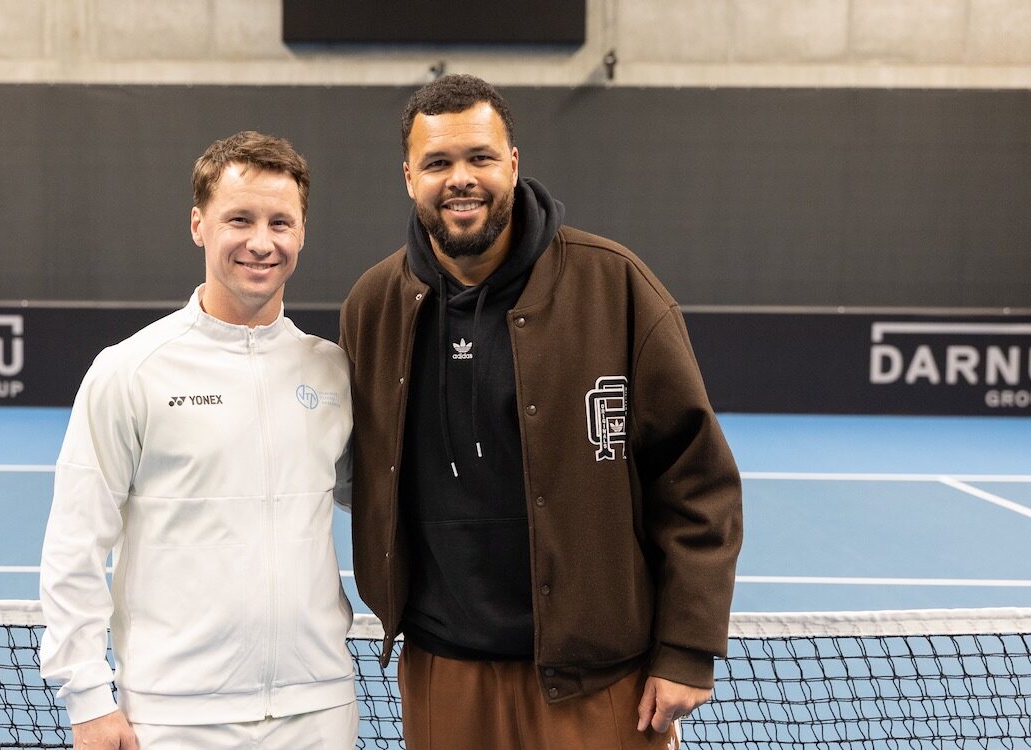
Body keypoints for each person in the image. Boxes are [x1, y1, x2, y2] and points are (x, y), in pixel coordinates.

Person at [339, 74, 743, 749]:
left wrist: (686, 647)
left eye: (480, 158)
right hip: (443, 668)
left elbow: (696, 480)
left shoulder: (615, 285)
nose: (460, 178)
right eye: (438, 162)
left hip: (595, 678)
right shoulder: (373, 305)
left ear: (514, 164)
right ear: (409, 176)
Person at [40, 131, 357, 750]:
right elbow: (74, 546)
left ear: (301, 233)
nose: (261, 242)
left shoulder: (333, 372)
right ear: (198, 225)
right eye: (239, 219)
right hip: (175, 718)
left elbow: (376, 504)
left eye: (280, 222)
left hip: (318, 710)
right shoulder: (128, 371)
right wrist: (87, 699)